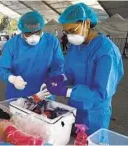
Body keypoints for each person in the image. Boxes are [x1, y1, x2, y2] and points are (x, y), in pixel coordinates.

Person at [45, 3, 124, 135]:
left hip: (95, 113)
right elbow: (70, 72)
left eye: (73, 31)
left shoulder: (106, 51)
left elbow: (101, 93)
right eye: (66, 32)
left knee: (91, 140)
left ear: (86, 23)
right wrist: (61, 78)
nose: (69, 36)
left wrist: (67, 91)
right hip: (74, 107)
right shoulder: (76, 47)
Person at [0, 11, 65, 100]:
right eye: (28, 33)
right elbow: (1, 68)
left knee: (46, 113)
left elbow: (58, 66)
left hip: (44, 93)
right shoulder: (12, 45)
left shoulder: (51, 42)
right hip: (18, 95)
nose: (33, 37)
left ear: (42, 29)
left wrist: (53, 82)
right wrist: (12, 79)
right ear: (22, 31)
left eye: (37, 32)